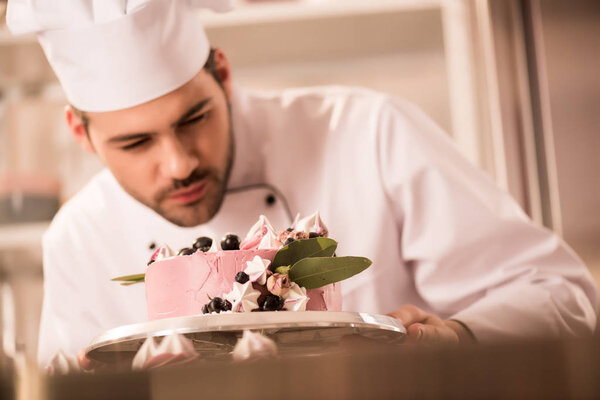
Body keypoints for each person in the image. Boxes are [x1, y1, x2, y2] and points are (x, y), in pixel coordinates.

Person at [7, 0, 597, 368]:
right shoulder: (78, 239)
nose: (179, 163)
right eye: (135, 143)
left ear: (225, 74)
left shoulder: (368, 131)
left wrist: (458, 336)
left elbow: (564, 296)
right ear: (81, 135)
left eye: (195, 119)